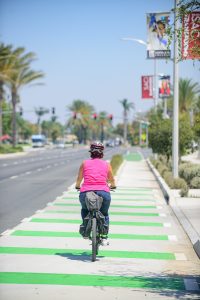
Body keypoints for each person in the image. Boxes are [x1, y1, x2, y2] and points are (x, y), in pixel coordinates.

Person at [75, 141, 116, 245]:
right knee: (105, 213)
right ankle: (104, 236)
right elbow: (111, 179)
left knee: (85, 209)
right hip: (103, 192)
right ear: (102, 153)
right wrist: (113, 186)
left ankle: (85, 230)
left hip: (86, 193)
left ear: (91, 152)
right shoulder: (107, 164)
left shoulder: (84, 163)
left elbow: (79, 178)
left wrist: (77, 186)